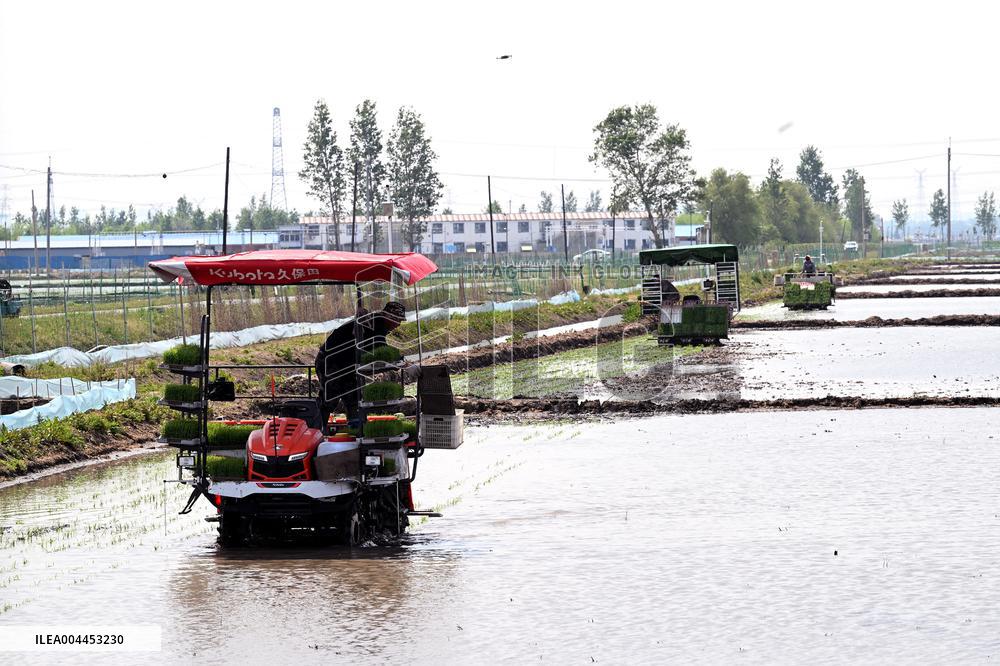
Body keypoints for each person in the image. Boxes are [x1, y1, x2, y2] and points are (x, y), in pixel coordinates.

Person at [315, 301, 406, 429]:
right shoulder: (376, 324)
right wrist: (397, 360)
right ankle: (317, 430)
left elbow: (374, 350)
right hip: (330, 361)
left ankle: (356, 429)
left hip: (347, 364)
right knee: (330, 398)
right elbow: (380, 348)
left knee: (354, 398)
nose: (398, 324)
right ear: (389, 317)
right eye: (398, 320)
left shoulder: (377, 323)